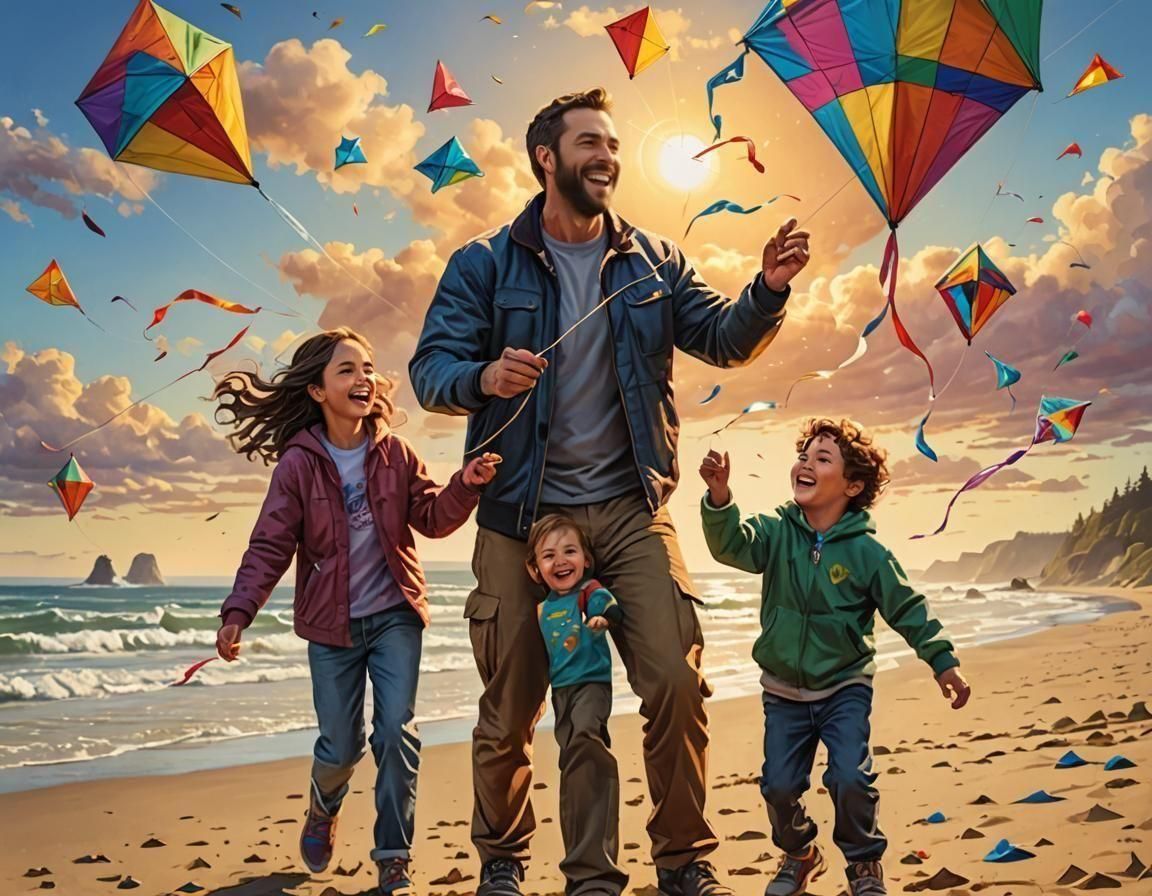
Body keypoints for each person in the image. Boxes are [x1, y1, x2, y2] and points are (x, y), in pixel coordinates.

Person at [410, 86, 811, 896]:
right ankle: (509, 861)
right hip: (522, 515)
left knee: (673, 677)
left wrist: (765, 289)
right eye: (590, 142)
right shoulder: (484, 264)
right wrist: (484, 374)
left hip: (631, 510)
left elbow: (722, 339)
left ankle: (682, 863)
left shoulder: (655, 262)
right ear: (546, 158)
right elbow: (430, 373)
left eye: (615, 145)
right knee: (512, 708)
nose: (608, 157)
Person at [213, 327, 500, 895]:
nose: (363, 379)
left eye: (367, 368)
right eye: (346, 370)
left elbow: (433, 518)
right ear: (317, 390)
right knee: (340, 746)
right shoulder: (298, 465)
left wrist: (465, 485)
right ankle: (324, 806)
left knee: (396, 731)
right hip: (331, 625)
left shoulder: (394, 453)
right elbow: (269, 545)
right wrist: (238, 613)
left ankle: (393, 856)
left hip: (395, 612)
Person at [698, 419, 972, 896]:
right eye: (804, 454)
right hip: (783, 690)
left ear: (852, 485)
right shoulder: (775, 531)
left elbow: (907, 608)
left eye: (822, 458)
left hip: (845, 686)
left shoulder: (868, 552)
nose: (806, 462)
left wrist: (942, 660)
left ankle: (864, 863)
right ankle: (801, 853)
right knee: (779, 787)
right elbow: (731, 546)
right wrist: (720, 498)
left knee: (849, 777)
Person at [526, 514, 626, 896]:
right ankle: (581, 857)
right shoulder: (542, 608)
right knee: (572, 756)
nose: (561, 561)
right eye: (549, 556)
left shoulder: (588, 591)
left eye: (570, 551)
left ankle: (596, 864)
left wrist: (602, 618)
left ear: (586, 558)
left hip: (592, 686)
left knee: (586, 738)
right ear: (536, 569)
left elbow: (609, 606)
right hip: (562, 692)